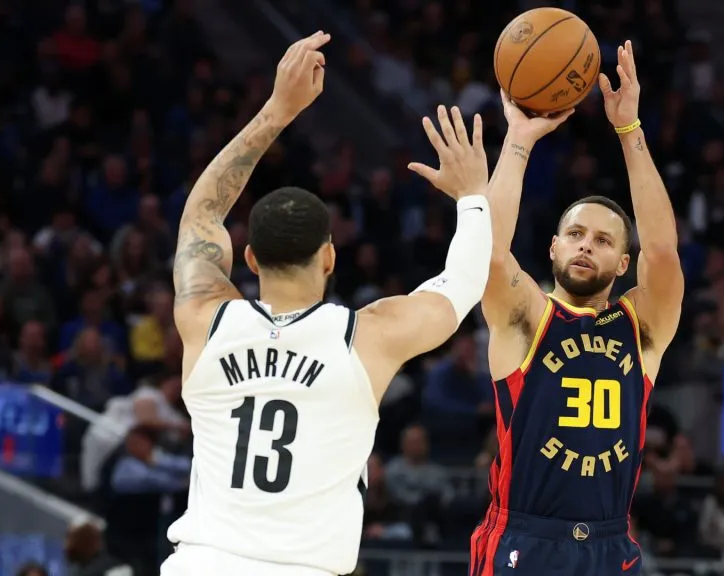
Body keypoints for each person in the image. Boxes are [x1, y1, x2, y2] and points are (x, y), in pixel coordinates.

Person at [159, 31, 493, 576]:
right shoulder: (368, 339)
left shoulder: (205, 319)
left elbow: (201, 217)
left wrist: (276, 110)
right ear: (331, 256)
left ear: (248, 257)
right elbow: (462, 284)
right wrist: (472, 195)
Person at [410, 40, 683, 575]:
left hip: (609, 544)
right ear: (553, 248)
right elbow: (487, 253)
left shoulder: (641, 328)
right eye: (576, 234)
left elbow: (663, 251)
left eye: (604, 241)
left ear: (623, 264)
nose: (587, 245)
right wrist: (518, 139)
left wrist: (629, 131)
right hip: (525, 537)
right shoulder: (528, 317)